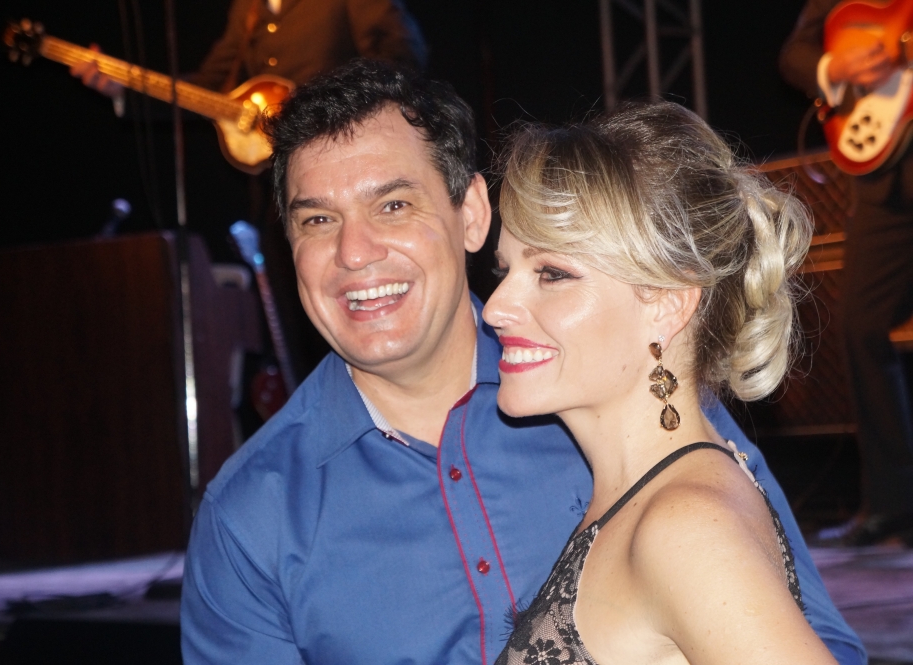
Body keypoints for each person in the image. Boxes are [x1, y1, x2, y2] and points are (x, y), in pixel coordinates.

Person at [179, 60, 865, 664]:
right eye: (317, 220)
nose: (354, 252)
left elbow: (814, 635)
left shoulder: (636, 405)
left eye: (393, 204)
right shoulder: (252, 515)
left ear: (472, 213)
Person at [486, 102, 839, 665]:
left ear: (668, 305)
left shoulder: (685, 527)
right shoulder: (654, 497)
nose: (496, 308)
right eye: (505, 271)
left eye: (551, 273)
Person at [72, 0, 427, 379]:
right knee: (296, 318)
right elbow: (211, 86)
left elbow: (400, 56)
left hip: (350, 180)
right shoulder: (249, 8)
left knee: (353, 296)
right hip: (277, 195)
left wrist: (326, 114)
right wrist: (123, 87)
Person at [780, 0, 913, 546]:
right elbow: (796, 51)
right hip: (884, 177)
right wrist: (836, 66)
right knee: (859, 326)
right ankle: (892, 504)